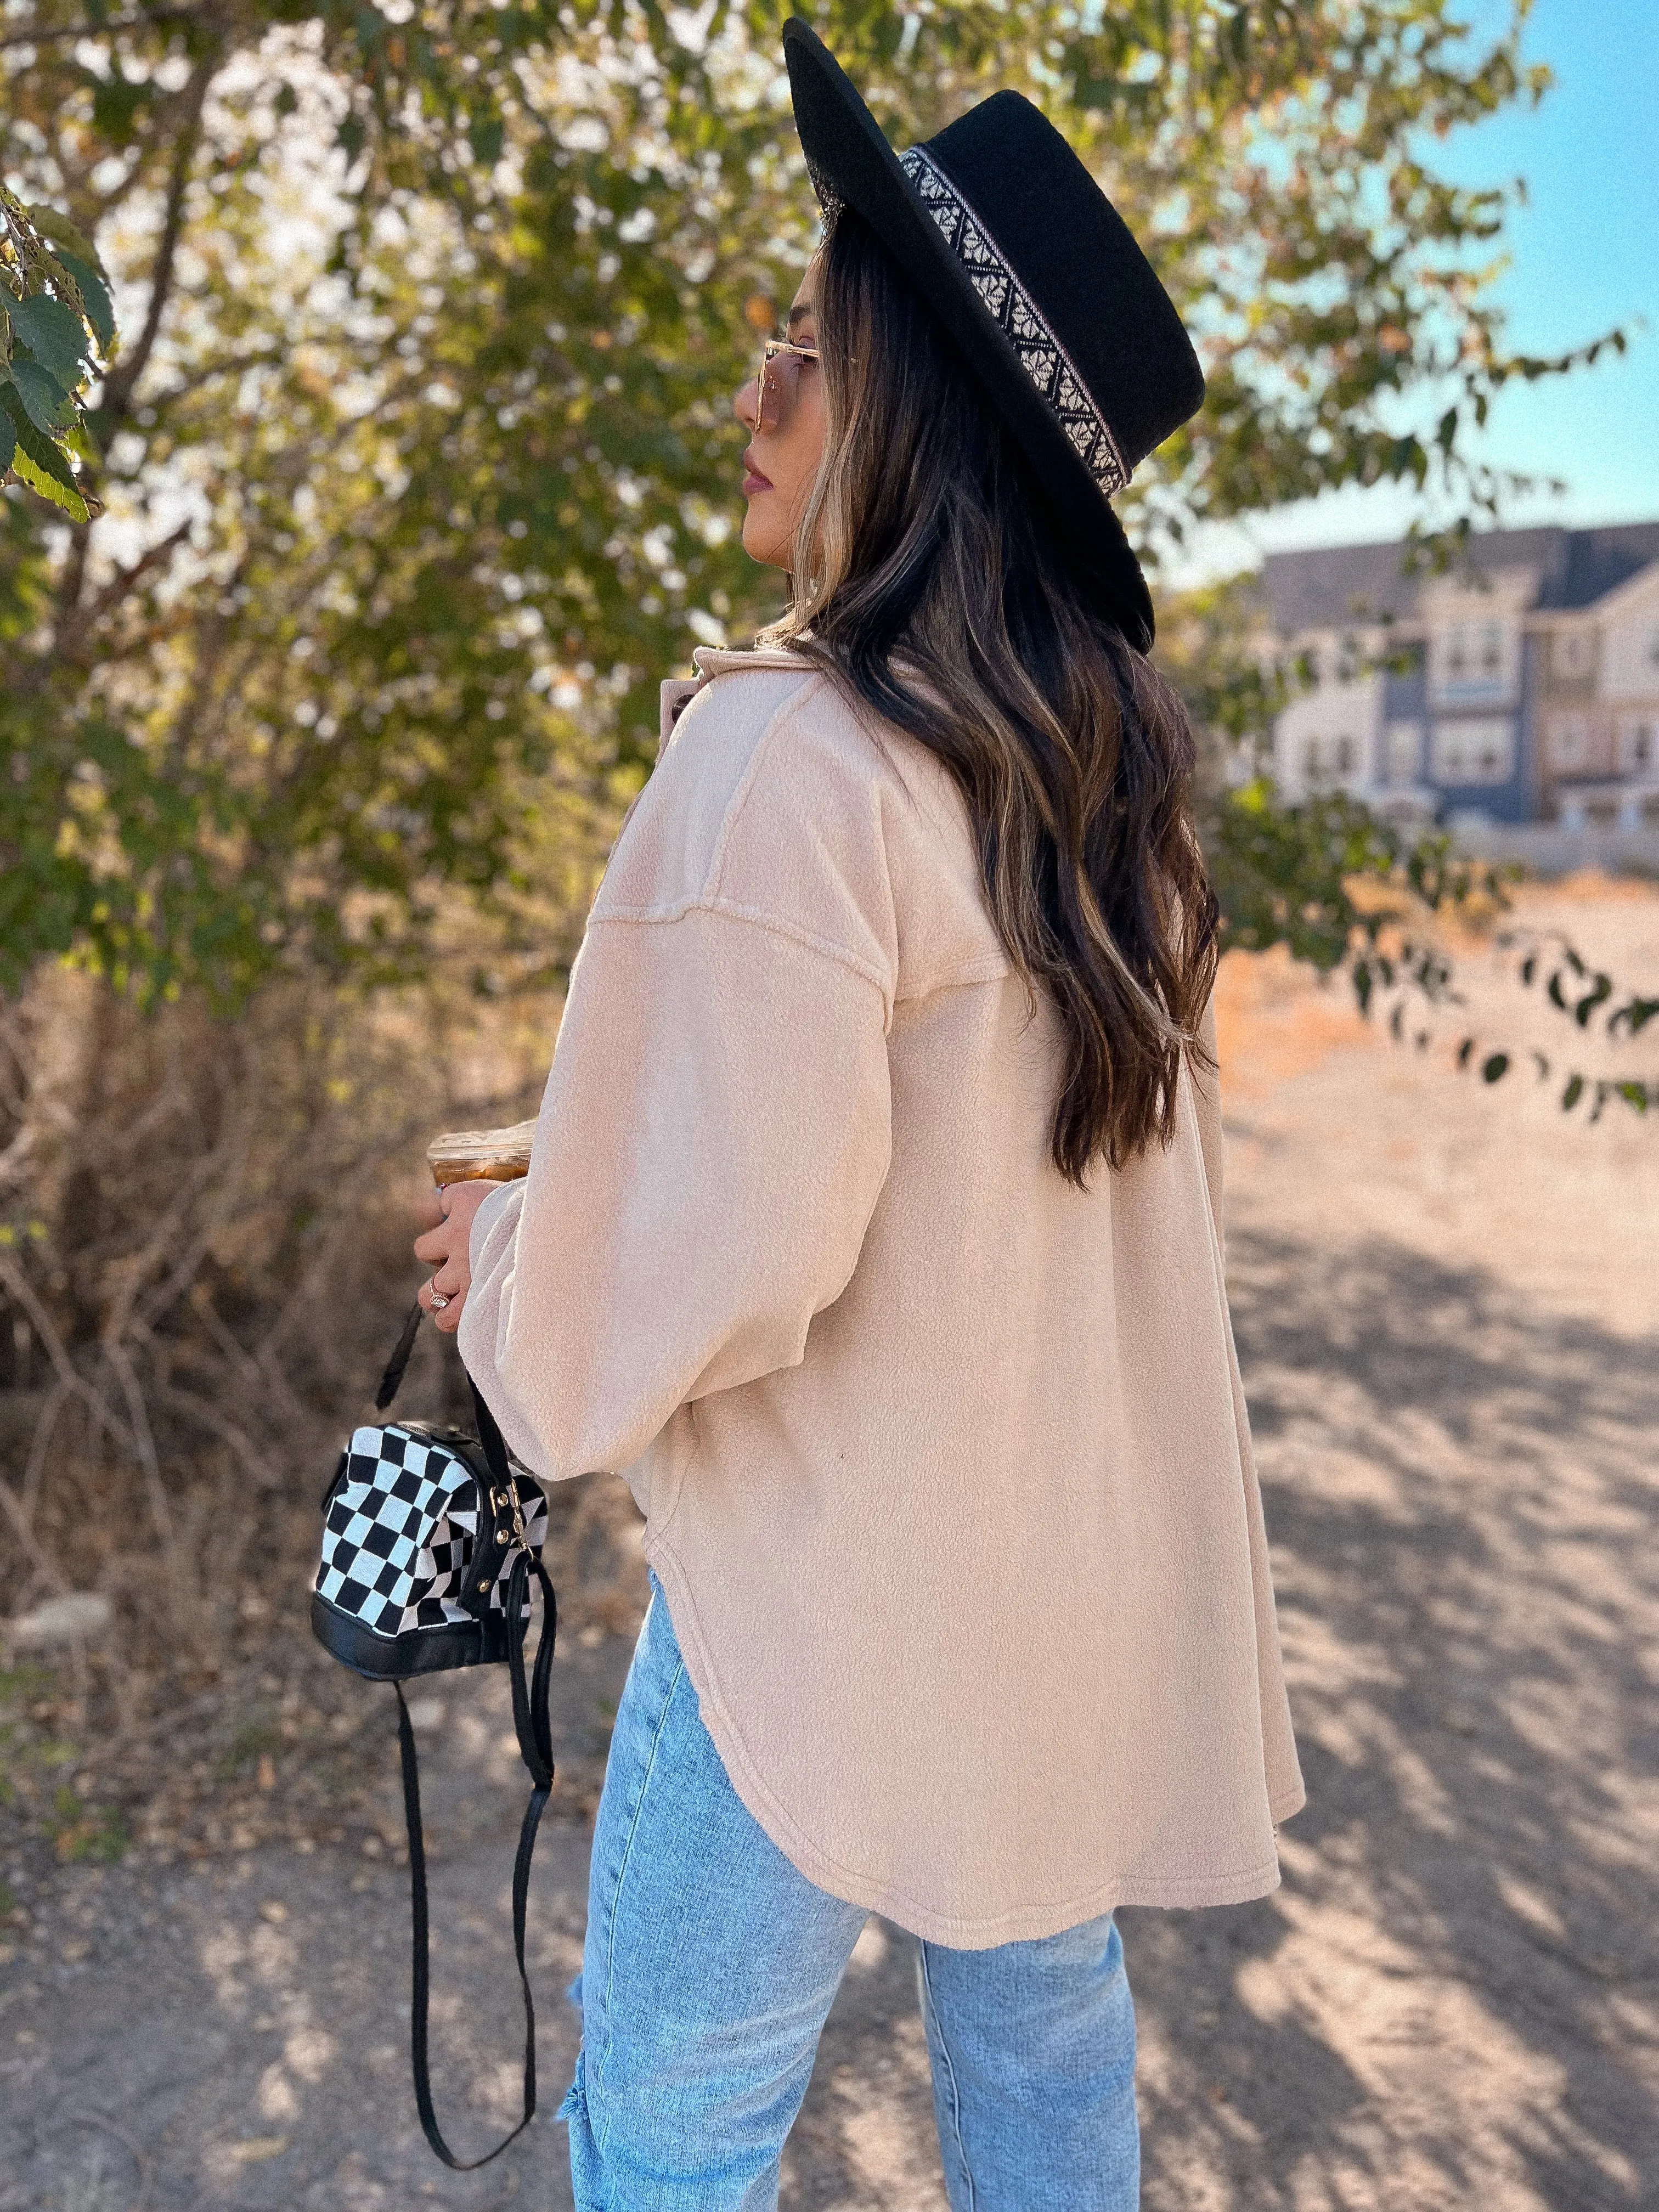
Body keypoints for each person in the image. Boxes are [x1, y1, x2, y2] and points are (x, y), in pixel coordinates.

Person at [413, 21, 1302, 2209]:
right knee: (1045, 2117)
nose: (761, 380)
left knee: (679, 2146)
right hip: (1056, 1607)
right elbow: (979, 1176)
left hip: (824, 1626)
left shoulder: (793, 762)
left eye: (800, 339)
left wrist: (513, 1277)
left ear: (907, 399)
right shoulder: (1116, 794)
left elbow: (704, 1271)